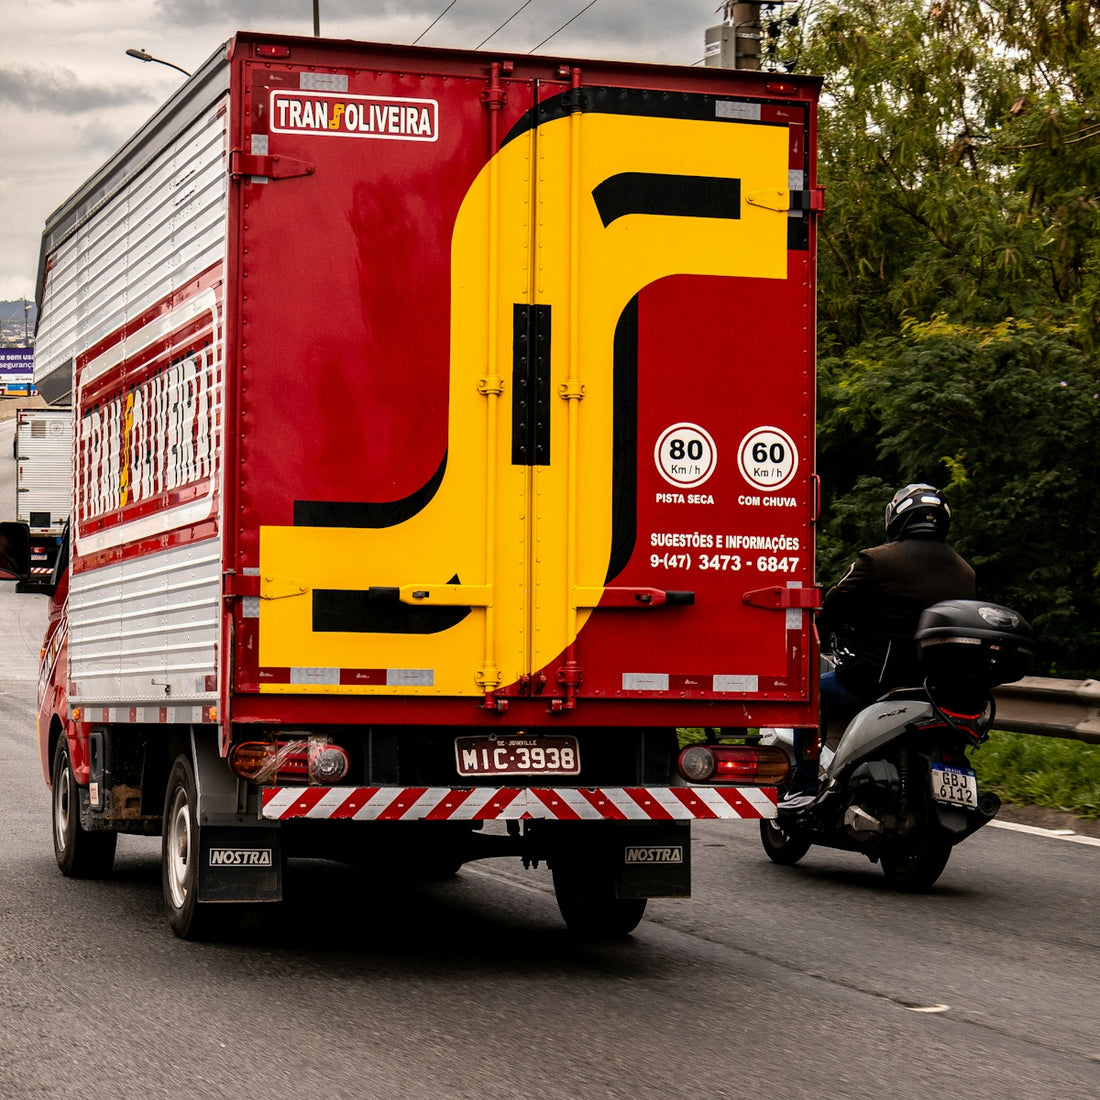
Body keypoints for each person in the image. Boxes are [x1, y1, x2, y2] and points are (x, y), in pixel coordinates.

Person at [784, 483, 976, 803]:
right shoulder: (965, 571)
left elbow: (834, 603)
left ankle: (804, 784)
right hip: (940, 688)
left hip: (875, 681)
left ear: (897, 517)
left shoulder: (877, 560)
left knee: (811, 695)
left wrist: (815, 630)